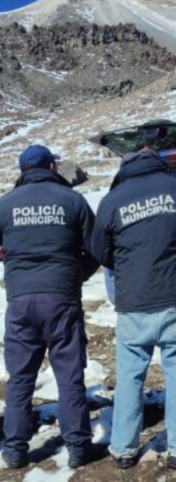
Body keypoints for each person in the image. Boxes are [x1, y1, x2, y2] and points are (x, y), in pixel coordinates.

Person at [0, 145, 100, 469]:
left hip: (20, 302)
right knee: (69, 375)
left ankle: (15, 451)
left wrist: (11, 258)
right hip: (61, 299)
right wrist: (75, 276)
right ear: (51, 166)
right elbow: (97, 247)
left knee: (20, 378)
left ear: (23, 170)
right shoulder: (72, 200)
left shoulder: (6, 203)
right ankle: (78, 448)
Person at [90, 148, 176, 470]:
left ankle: (125, 450)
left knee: (129, 376)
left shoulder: (114, 198)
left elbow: (99, 250)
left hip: (134, 303)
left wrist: (126, 265)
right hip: (173, 297)